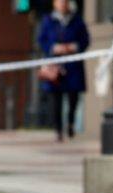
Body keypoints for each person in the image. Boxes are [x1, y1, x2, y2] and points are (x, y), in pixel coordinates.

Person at [37, 0, 90, 142]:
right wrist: (54, 48)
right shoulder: (48, 20)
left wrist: (73, 47)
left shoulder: (77, 20)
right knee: (56, 100)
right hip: (55, 65)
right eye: (60, 2)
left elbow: (85, 40)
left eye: (65, 2)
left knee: (74, 98)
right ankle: (58, 130)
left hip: (73, 66)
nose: (63, 4)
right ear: (54, 4)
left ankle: (71, 124)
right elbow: (41, 40)